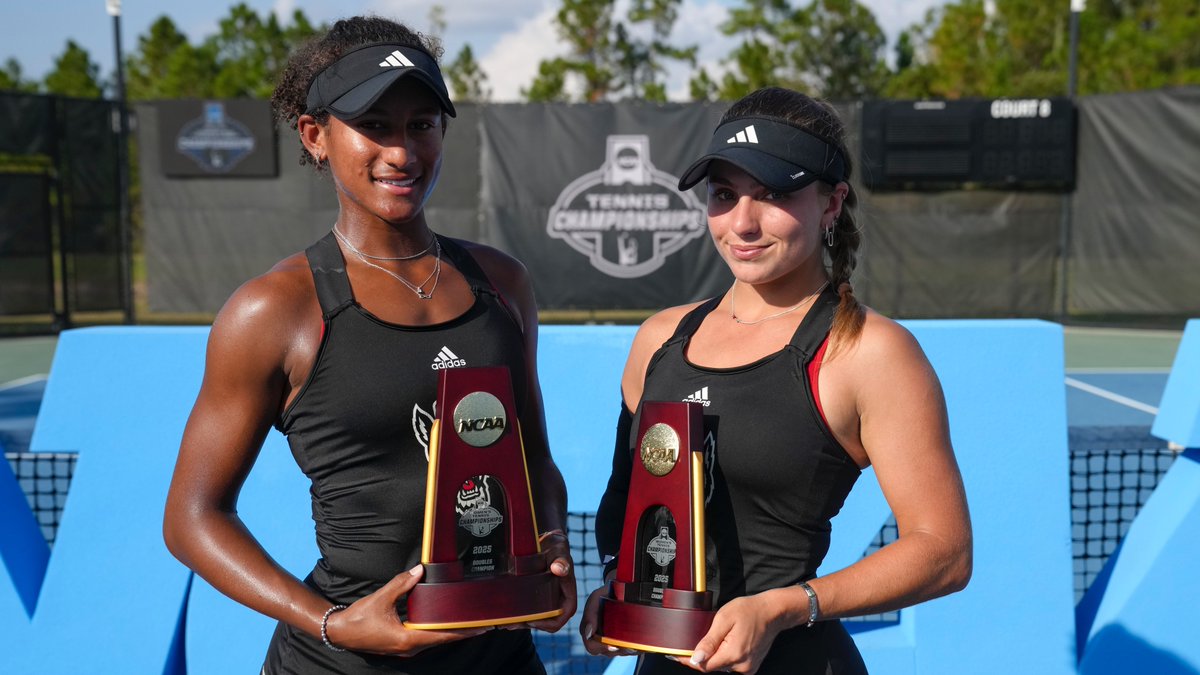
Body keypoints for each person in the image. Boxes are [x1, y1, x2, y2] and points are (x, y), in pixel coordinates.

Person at [163, 16, 576, 674]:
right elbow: (192, 517)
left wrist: (552, 543)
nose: (402, 152)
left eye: (420, 124)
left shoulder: (503, 284)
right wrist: (328, 621)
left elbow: (534, 459)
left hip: (500, 655)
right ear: (315, 136)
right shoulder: (273, 309)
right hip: (342, 662)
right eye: (375, 126)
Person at [579, 87, 972, 674]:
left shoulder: (869, 351)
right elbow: (624, 502)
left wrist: (786, 607)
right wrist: (619, 586)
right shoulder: (659, 339)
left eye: (774, 195)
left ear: (832, 203)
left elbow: (944, 552)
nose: (743, 222)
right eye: (724, 194)